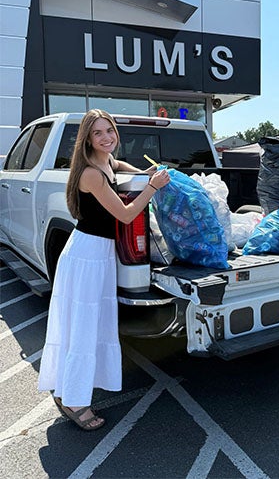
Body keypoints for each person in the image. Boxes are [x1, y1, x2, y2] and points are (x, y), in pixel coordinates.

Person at [38, 109, 170, 430]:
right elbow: (125, 215)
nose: (106, 137)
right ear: (87, 139)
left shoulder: (107, 163)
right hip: (85, 257)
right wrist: (151, 187)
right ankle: (75, 402)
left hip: (98, 256)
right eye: (97, 133)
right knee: (83, 329)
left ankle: (69, 389)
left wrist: (144, 172)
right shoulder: (90, 174)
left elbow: (122, 167)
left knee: (88, 326)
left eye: (109, 130)